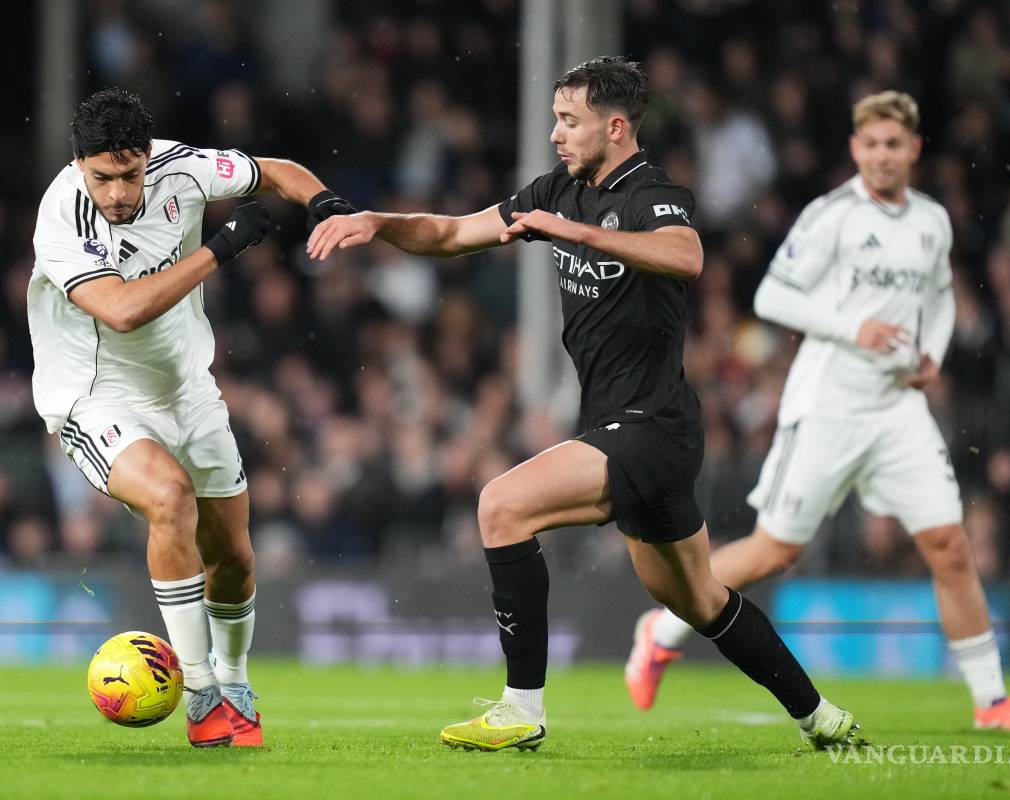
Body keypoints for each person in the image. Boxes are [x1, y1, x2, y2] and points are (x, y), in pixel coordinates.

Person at [308, 56, 858, 752]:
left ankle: (521, 708)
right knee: (701, 601)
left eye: (570, 121)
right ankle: (821, 718)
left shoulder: (651, 193)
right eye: (555, 119)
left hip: (649, 427)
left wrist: (576, 232)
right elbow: (452, 233)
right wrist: (380, 223)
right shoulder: (557, 190)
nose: (556, 134)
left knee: (501, 506)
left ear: (616, 126)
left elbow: (685, 257)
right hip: (626, 427)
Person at [623, 90, 1010, 733]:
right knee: (774, 551)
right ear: (856, 149)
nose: (882, 155)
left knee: (949, 545)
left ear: (914, 150)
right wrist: (854, 328)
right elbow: (772, 295)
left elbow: (939, 297)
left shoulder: (932, 221)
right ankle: (660, 626)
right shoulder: (831, 216)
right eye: (871, 144)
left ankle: (993, 703)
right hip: (827, 406)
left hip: (898, 408)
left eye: (894, 145)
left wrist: (930, 353)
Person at [28, 88, 356, 747]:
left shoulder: (185, 168)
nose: (117, 193)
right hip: (94, 396)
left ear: (148, 158)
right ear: (77, 165)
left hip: (187, 389)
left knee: (232, 555)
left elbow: (279, 170)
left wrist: (324, 204)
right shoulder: (63, 215)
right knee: (169, 498)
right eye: (102, 177)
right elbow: (120, 310)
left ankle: (234, 682)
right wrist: (221, 248)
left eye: (129, 174)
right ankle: (202, 694)